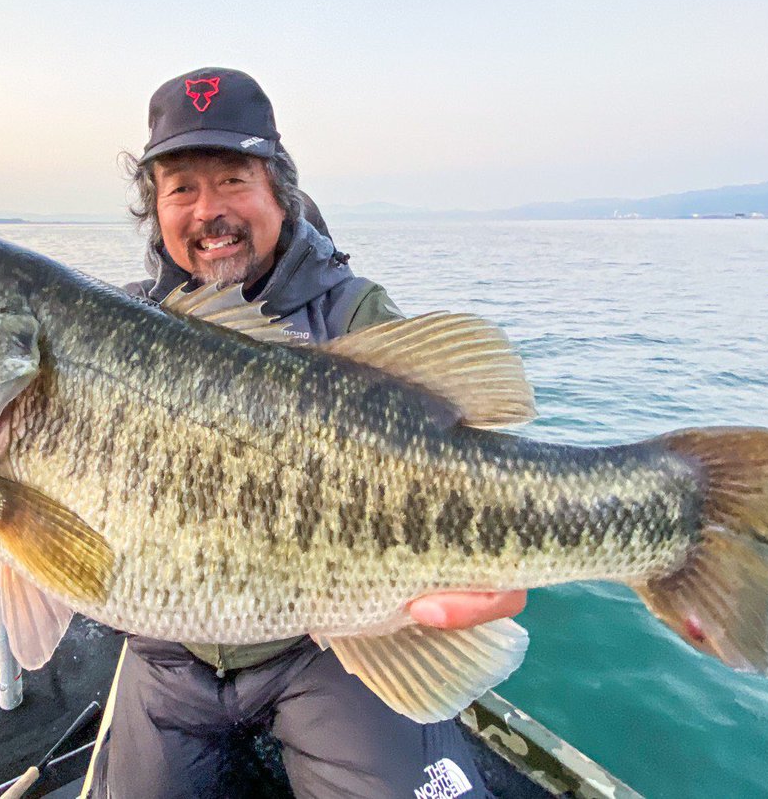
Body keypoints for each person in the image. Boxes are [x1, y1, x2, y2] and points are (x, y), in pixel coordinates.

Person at [82, 67, 527, 799]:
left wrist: (492, 546)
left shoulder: (353, 316)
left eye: (233, 180)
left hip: (328, 640)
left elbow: (459, 456)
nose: (209, 211)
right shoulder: (119, 330)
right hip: (170, 649)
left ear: (279, 192)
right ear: (155, 211)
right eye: (181, 189)